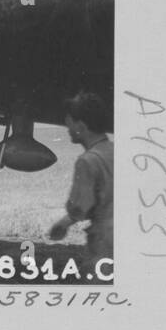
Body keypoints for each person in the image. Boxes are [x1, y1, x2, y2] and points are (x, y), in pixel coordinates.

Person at [47, 91, 113, 271]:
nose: (68, 129)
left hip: (105, 242)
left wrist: (62, 224)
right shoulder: (117, 152)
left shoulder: (87, 161)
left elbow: (80, 207)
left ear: (81, 126)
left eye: (70, 124)